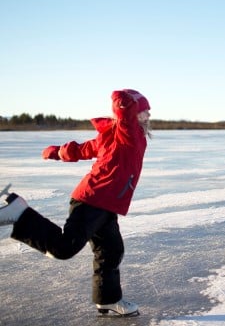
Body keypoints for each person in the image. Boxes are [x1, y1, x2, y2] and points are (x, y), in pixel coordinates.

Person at [0, 89, 151, 317]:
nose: (148, 114)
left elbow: (83, 149)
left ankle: (108, 300)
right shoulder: (127, 132)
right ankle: (20, 213)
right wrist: (124, 102)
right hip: (92, 200)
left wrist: (58, 152)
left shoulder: (114, 135)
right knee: (64, 247)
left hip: (106, 204)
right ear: (130, 114)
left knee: (111, 251)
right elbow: (122, 117)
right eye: (143, 111)